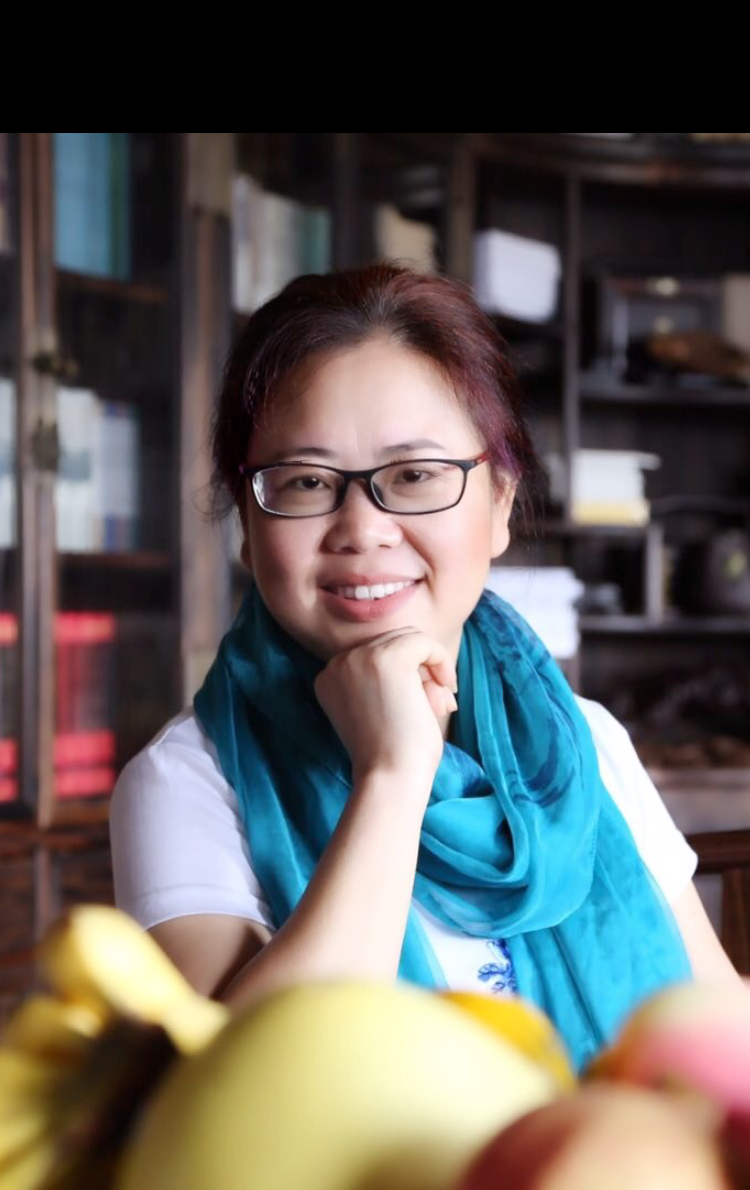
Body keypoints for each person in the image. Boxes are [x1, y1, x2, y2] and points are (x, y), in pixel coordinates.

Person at [109, 261, 742, 1074]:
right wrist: (392, 774)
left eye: (413, 476)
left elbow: (718, 1028)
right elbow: (229, 1089)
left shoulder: (584, 744)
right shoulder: (185, 782)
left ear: (501, 502)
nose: (362, 529)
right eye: (305, 482)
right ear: (248, 527)